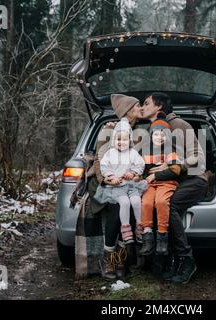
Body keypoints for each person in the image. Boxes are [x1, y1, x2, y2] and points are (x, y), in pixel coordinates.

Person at [141, 92, 208, 284]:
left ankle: (186, 260)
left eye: (146, 103)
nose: (143, 107)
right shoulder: (148, 130)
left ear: (159, 107)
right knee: (153, 202)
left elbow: (199, 160)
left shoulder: (180, 125)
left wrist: (174, 165)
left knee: (168, 205)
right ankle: (164, 258)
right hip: (165, 181)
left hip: (193, 180)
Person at [87, 94, 144, 280]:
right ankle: (109, 258)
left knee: (133, 202)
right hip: (107, 182)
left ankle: (123, 258)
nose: (141, 108)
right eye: (137, 106)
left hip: (130, 182)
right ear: (128, 111)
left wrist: (136, 175)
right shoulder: (109, 130)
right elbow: (98, 160)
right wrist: (107, 179)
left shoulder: (137, 129)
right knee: (118, 206)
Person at [93, 118, 147, 244]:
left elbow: (140, 164)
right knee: (125, 203)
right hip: (117, 187)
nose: (121, 142)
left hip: (131, 185)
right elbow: (104, 167)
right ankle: (126, 229)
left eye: (124, 139)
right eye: (118, 139)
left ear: (129, 141)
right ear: (113, 140)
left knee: (136, 201)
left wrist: (133, 172)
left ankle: (140, 226)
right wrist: (111, 177)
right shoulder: (109, 153)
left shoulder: (133, 153)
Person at [139, 112, 182, 256]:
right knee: (146, 203)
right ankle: (147, 237)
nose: (160, 137)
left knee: (161, 202)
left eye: (163, 135)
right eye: (156, 134)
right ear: (151, 135)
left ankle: (162, 238)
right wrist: (138, 176)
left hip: (167, 183)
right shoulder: (144, 151)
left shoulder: (170, 150)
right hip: (150, 184)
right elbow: (139, 169)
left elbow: (175, 171)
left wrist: (155, 175)